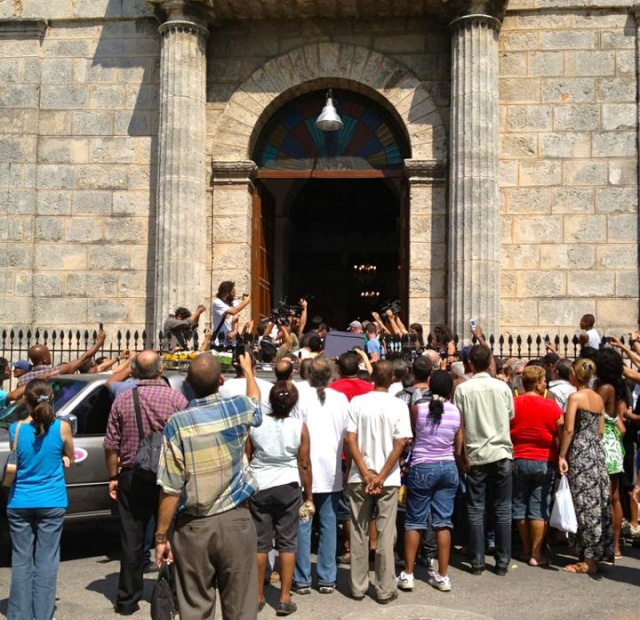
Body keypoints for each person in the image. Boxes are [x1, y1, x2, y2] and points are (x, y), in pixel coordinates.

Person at [154, 352, 262, 620]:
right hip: (236, 520)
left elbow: (171, 487)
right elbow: (256, 402)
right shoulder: (238, 408)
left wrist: (161, 536)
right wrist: (248, 371)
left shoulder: (177, 424)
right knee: (241, 608)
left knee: (194, 606)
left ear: (187, 383)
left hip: (194, 527)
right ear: (221, 380)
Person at [103, 350, 188, 615]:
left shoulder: (123, 399)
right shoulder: (177, 399)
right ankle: (172, 592)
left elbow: (111, 445)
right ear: (161, 371)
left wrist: (113, 477)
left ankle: (128, 598)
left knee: (132, 537)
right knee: (170, 533)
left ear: (135, 372)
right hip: (169, 475)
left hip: (133, 474)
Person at [6, 378, 75, 620]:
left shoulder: (15, 430)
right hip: (52, 500)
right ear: (52, 400)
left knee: (21, 560)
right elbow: (70, 455)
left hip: (20, 501)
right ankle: (43, 614)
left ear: (25, 401)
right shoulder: (63, 427)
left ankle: (19, 614)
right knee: (47, 561)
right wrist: (64, 458)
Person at [345, 360, 412, 603]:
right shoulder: (397, 406)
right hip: (387, 477)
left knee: (359, 530)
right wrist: (381, 475)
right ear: (393, 377)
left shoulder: (358, 402)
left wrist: (364, 472)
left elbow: (350, 439)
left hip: (360, 475)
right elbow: (401, 441)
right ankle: (384, 587)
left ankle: (358, 585)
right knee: (385, 534)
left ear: (373, 377)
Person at [247, 381, 312, 615]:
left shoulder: (257, 423)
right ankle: (284, 597)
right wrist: (309, 495)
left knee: (260, 543)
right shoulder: (299, 426)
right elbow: (304, 463)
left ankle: (257, 595)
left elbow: (248, 455)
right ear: (293, 403)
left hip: (260, 485)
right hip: (288, 485)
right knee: (287, 542)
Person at [397, 370, 463, 593]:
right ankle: (443, 575)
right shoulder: (456, 412)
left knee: (415, 520)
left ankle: (408, 573)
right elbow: (458, 444)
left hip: (423, 465)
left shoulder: (419, 409)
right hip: (448, 466)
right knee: (443, 522)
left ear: (429, 386)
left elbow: (411, 434)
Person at [453, 344, 514, 576]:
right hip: (501, 451)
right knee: (502, 508)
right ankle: (502, 561)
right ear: (489, 362)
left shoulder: (463, 390)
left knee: (476, 508)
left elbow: (460, 425)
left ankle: (477, 560)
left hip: (476, 452)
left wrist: (460, 455)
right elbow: (510, 414)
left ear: (469, 364)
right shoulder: (503, 387)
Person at [293, 357, 349, 595]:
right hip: (330, 469)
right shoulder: (340, 399)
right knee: (328, 524)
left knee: (304, 523)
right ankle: (327, 577)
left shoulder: (300, 397)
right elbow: (347, 434)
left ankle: (302, 578)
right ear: (330, 376)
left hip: (304, 469)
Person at [558, 358, 613, 574]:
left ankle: (587, 558)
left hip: (580, 451)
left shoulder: (575, 397)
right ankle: (593, 552)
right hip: (596, 452)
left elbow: (569, 429)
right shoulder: (598, 398)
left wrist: (563, 455)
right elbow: (600, 431)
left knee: (583, 502)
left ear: (574, 375)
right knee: (596, 501)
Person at [510, 366, 562, 567]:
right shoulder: (551, 406)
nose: (546, 384)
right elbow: (562, 430)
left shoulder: (514, 403)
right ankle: (536, 552)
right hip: (543, 458)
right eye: (543, 381)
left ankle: (524, 547)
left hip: (518, 457)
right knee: (539, 507)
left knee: (520, 505)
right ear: (538, 383)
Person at [594, 347, 628, 560]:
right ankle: (614, 546)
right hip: (613, 443)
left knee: (606, 497)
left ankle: (608, 544)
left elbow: (591, 406)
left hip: (605, 443)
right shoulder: (617, 386)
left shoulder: (605, 388)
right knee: (613, 497)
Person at [7, 331, 107, 402]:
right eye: (49, 355)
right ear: (44, 359)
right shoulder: (56, 371)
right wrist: (99, 343)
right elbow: (84, 358)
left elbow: (19, 402)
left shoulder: (22, 381)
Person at [211, 280, 251, 347]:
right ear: (227, 293)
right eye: (233, 292)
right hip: (220, 341)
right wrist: (246, 302)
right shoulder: (217, 302)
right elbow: (233, 311)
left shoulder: (233, 302)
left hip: (232, 341)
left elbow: (235, 317)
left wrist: (235, 331)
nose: (234, 294)